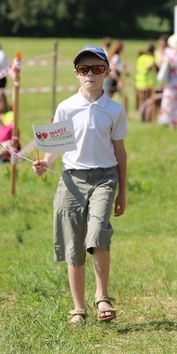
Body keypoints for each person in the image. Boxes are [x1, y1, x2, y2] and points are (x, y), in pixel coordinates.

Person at [31, 45, 127, 325]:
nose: (90, 74)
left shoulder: (114, 109)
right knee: (73, 245)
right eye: (84, 69)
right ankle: (78, 308)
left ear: (107, 72)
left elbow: (120, 152)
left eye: (97, 69)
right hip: (72, 180)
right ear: (76, 73)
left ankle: (102, 296)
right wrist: (46, 164)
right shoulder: (66, 107)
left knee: (98, 234)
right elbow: (56, 147)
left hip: (104, 178)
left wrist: (123, 191)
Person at [0, 88, 18, 162]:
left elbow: (4, 137)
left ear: (4, 102)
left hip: (5, 146)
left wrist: (0, 124)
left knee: (7, 145)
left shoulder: (10, 115)